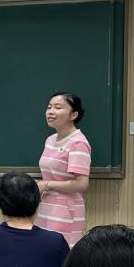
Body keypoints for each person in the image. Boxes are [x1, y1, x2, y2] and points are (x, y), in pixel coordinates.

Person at [37, 91, 91, 246]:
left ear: (73, 115)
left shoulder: (78, 142)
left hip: (66, 211)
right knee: (45, 250)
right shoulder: (50, 140)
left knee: (61, 253)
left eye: (58, 107)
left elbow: (81, 184)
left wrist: (46, 184)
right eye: (49, 107)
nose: (51, 112)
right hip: (46, 206)